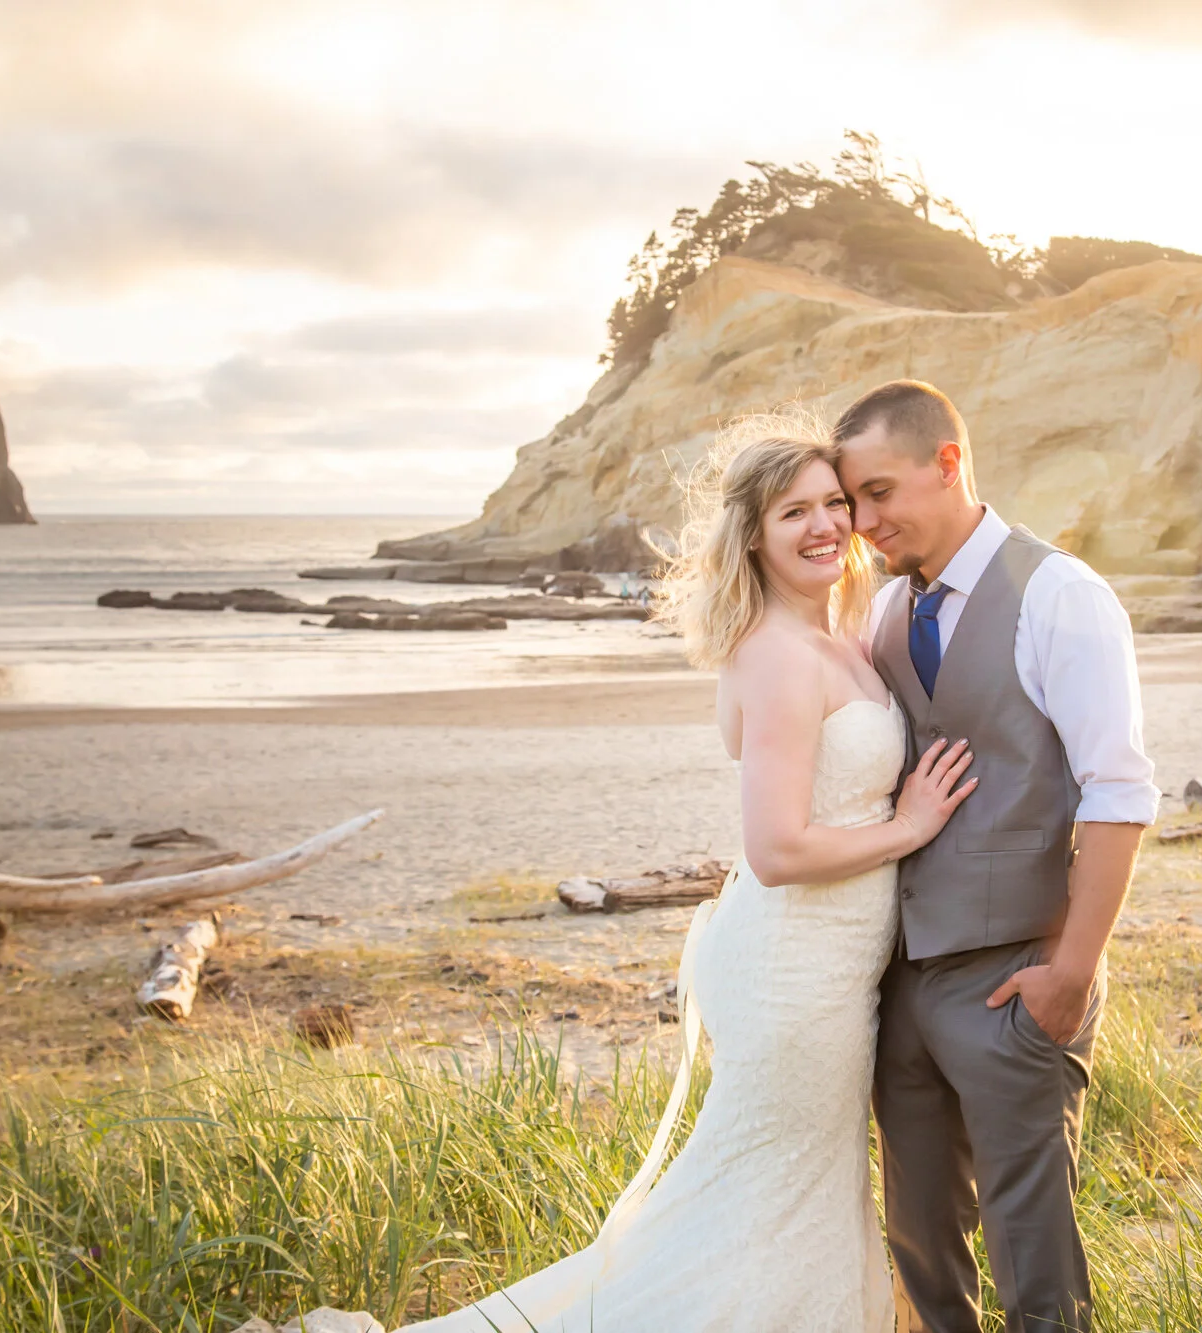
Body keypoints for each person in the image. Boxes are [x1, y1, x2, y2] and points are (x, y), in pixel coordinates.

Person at [395, 408, 976, 1331]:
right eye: (794, 511)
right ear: (753, 536)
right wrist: (908, 826)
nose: (825, 524)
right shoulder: (779, 655)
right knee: (773, 1196)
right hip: (792, 974)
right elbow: (777, 850)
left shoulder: (835, 636)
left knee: (793, 1190)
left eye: (834, 502)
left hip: (827, 969)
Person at [835, 380, 1159, 1332]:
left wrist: (1071, 972)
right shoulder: (884, 611)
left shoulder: (1060, 594)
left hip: (1017, 975)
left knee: (1035, 1258)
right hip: (903, 981)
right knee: (920, 1243)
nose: (863, 522)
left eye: (880, 492)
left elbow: (1118, 794)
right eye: (852, 501)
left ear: (949, 463)